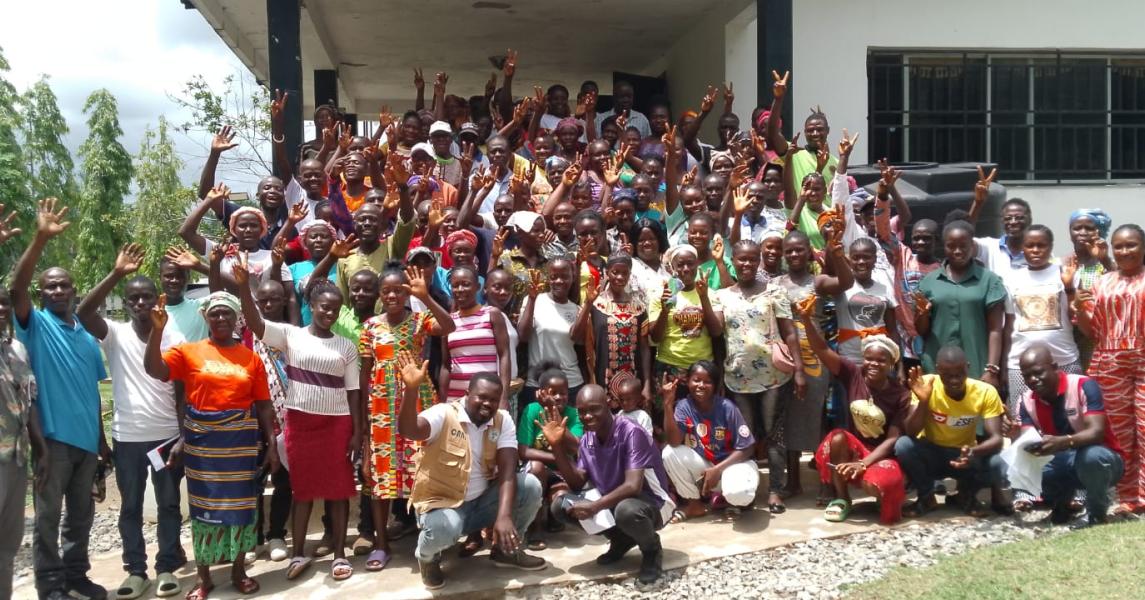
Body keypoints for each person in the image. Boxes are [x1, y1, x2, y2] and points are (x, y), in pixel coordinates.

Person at [233, 254, 361, 582]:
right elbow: (256, 324)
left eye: (335, 309)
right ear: (312, 306)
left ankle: (340, 554)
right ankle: (299, 553)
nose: (329, 313)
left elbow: (353, 393)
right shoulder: (291, 335)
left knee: (338, 490)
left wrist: (357, 433)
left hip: (337, 424)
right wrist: (244, 288)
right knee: (302, 491)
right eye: (324, 307)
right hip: (301, 424)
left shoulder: (347, 347)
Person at [144, 291, 279, 600]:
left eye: (226, 313)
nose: (220, 318)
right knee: (204, 510)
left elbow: (263, 405)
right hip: (203, 447)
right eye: (214, 313)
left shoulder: (251, 358)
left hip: (240, 445)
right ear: (206, 317)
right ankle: (203, 577)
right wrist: (157, 330)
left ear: (236, 318)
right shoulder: (188, 352)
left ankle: (238, 571)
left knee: (243, 508)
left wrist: (271, 445)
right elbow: (155, 370)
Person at [10, 199, 109, 600]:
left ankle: (75, 576)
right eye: (50, 286)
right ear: (41, 293)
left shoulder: (86, 338)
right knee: (48, 518)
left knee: (82, 516)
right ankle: (50, 585)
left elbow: (93, 392)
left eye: (63, 284)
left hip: (87, 444)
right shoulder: (34, 325)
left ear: (73, 290)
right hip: (52, 441)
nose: (57, 290)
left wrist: (102, 442)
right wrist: (39, 239)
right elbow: (16, 288)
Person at [75, 244, 186, 599]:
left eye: (146, 297)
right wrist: (117, 273)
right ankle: (136, 572)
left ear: (157, 300)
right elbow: (83, 312)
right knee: (131, 507)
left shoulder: (174, 337)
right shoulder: (115, 334)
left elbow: (182, 393)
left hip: (166, 437)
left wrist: (183, 436)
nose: (140, 303)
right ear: (125, 304)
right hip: (127, 439)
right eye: (133, 298)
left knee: (169, 505)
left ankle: (166, 567)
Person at [395, 353, 545, 589]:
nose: (488, 404)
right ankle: (427, 558)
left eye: (493, 400)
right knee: (445, 527)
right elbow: (409, 430)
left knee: (530, 486)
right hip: (442, 506)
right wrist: (411, 390)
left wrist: (504, 516)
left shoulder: (502, 420)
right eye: (481, 397)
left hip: (480, 504)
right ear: (467, 394)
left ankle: (505, 551)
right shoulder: (443, 414)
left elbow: (508, 471)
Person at [358, 265, 454, 571]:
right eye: (386, 291)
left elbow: (449, 326)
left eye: (398, 290)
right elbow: (364, 376)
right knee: (381, 476)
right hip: (381, 409)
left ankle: (429, 541)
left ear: (407, 292)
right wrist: (364, 422)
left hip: (417, 402)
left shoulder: (419, 320)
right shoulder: (369, 327)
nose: (392, 296)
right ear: (379, 294)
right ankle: (381, 544)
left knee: (423, 470)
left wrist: (425, 298)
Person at [793, 294, 909, 524]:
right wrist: (806, 320)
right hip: (855, 450)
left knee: (880, 487)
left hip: (883, 454)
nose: (873, 364)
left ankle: (880, 488)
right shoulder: (853, 374)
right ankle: (842, 498)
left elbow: (892, 440)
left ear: (891, 363)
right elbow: (822, 350)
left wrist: (864, 464)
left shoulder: (900, 394)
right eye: (869, 359)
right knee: (837, 438)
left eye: (881, 361)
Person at [543, 385, 673, 584]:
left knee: (626, 511)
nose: (587, 416)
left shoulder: (631, 432)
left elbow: (633, 486)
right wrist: (557, 446)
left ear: (608, 405)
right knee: (561, 506)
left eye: (594, 409)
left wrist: (595, 506)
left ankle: (651, 550)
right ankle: (622, 539)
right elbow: (577, 483)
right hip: (613, 500)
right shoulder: (588, 438)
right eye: (582, 411)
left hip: (653, 503)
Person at [713, 240, 803, 514]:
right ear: (734, 261)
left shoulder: (775, 291)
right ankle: (746, 493)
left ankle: (775, 490)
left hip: (773, 377)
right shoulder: (722, 296)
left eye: (753, 259)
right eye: (742, 259)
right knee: (746, 437)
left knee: (774, 433)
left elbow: (790, 332)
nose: (747, 264)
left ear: (759, 260)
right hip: (737, 378)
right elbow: (716, 334)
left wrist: (799, 370)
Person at [774, 227, 852, 498]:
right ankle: (793, 482)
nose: (794, 254)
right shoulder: (776, 283)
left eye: (800, 249)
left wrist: (836, 253)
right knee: (789, 418)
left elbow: (846, 283)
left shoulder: (817, 282)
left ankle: (825, 482)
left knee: (818, 418)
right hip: (788, 358)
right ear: (784, 255)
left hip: (816, 357)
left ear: (809, 252)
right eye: (789, 251)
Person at [1075, 223, 1145, 516]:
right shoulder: (1102, 283)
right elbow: (1091, 331)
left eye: (1131, 245)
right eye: (1119, 246)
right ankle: (1130, 497)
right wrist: (1079, 308)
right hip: (1111, 364)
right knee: (1120, 433)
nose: (1125, 251)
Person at [1016, 344, 1125, 526]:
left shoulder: (1083, 385)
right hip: (1065, 461)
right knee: (1020, 465)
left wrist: (1064, 442)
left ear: (1054, 367)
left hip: (1105, 459)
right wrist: (1023, 443)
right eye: (1027, 376)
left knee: (1091, 457)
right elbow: (1028, 440)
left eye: (1038, 372)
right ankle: (1062, 506)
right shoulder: (1026, 400)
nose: (1033, 379)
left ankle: (1096, 513)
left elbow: (1097, 432)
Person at [895, 346, 1008, 517]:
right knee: (903, 445)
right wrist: (924, 402)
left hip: (963, 455)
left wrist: (973, 452)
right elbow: (910, 431)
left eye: (959, 374)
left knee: (997, 463)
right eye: (947, 375)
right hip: (932, 452)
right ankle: (926, 496)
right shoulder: (925, 384)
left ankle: (966, 495)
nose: (954, 380)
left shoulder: (985, 391)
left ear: (967, 367)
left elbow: (997, 439)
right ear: (938, 370)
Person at [0, 274, 48, 600]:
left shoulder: (16, 349)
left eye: (4, 303)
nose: (2, 309)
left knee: (8, 542)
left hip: (16, 458)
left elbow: (28, 400)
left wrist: (40, 448)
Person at [661, 361, 759, 520]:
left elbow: (747, 448)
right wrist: (667, 404)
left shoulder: (727, 407)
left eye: (707, 382)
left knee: (738, 494)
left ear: (715, 386)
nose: (701, 385)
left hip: (733, 465)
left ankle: (736, 502)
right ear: (688, 381)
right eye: (696, 380)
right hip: (707, 467)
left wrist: (718, 469)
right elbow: (674, 442)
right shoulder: (684, 406)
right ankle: (694, 505)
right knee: (669, 453)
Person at [914, 220, 1006, 389]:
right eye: (951, 246)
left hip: (977, 367)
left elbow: (995, 329)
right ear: (944, 247)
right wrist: (922, 314)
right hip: (937, 369)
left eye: (963, 246)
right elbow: (921, 331)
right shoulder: (928, 282)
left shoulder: (989, 280)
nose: (957, 251)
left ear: (972, 245)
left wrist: (992, 369)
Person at [1002, 225, 1082, 411]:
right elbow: (1009, 325)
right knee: (1024, 415)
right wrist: (1004, 365)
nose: (1035, 250)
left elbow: (1076, 317)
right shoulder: (1011, 279)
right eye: (1030, 245)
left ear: (1051, 246)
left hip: (1063, 358)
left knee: (1071, 413)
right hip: (1020, 363)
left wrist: (1069, 287)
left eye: (1041, 245)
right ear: (1022, 248)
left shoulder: (1066, 273)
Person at [516, 366, 582, 550]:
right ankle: (535, 526)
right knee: (537, 466)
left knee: (560, 498)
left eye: (563, 393)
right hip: (537, 472)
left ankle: (554, 517)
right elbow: (523, 451)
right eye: (554, 393)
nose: (559, 397)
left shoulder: (573, 414)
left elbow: (575, 446)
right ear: (541, 392)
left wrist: (555, 412)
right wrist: (558, 457)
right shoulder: (532, 410)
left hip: (561, 473)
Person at [572, 254, 652, 398]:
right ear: (607, 272)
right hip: (602, 381)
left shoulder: (639, 308)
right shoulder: (595, 304)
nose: (620, 277)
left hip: (634, 382)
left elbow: (644, 348)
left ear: (630, 274)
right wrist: (588, 303)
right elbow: (576, 336)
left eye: (625, 273)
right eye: (615, 272)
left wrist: (646, 385)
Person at [441, 266, 512, 408]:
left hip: (486, 399)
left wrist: (503, 397)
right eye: (455, 285)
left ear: (478, 287)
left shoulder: (492, 314)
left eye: (466, 284)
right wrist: (442, 402)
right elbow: (446, 366)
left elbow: (504, 355)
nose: (460, 289)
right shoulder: (448, 322)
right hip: (455, 400)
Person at [518, 259, 584, 406]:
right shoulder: (535, 300)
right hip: (538, 384)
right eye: (554, 277)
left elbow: (579, 341)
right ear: (548, 278)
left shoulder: (576, 310)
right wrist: (532, 299)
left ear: (573, 278)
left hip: (570, 384)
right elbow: (523, 336)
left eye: (564, 276)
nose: (559, 281)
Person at [1062, 208, 1113, 370]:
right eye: (1077, 228)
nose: (1082, 232)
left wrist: (1105, 260)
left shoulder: (1106, 265)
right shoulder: (1061, 265)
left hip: (1096, 338)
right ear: (1070, 232)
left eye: (1089, 228)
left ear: (1098, 232)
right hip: (1067, 337)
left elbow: (1122, 285)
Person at [337, 202, 415, 299]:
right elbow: (342, 300)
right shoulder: (345, 259)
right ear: (355, 224)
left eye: (373, 219)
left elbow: (407, 220)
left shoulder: (392, 246)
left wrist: (403, 192)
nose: (367, 223)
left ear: (381, 225)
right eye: (362, 219)